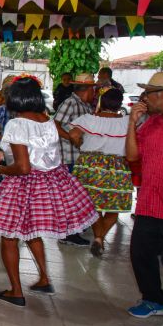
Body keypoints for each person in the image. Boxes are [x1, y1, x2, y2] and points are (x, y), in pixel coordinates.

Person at [0, 76, 98, 307]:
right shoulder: (46, 120)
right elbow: (37, 153)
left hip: (24, 185)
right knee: (32, 232)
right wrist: (4, 156)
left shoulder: (17, 123)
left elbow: (23, 168)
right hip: (51, 182)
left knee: (9, 237)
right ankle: (44, 278)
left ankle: (15, 291)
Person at [68, 88, 132, 257]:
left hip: (90, 165)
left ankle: (98, 237)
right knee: (113, 208)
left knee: (93, 206)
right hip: (116, 166)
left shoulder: (89, 119)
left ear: (101, 102)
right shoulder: (128, 122)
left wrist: (81, 145)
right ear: (119, 103)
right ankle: (99, 238)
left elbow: (74, 134)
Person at [124, 72, 163, 318]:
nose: (144, 99)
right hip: (150, 202)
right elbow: (131, 156)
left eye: (147, 94)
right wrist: (132, 123)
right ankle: (153, 299)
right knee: (141, 253)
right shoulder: (150, 122)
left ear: (161, 95)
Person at [53, 73, 95, 247]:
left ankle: (74, 228)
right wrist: (70, 137)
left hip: (79, 157)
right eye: (94, 89)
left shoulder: (85, 106)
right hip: (69, 156)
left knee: (76, 195)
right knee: (71, 197)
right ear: (88, 89)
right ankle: (69, 233)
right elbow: (54, 124)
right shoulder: (70, 103)